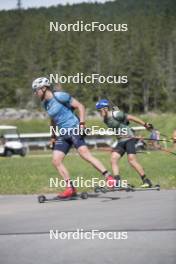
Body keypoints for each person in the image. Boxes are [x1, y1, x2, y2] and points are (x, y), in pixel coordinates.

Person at [32, 77, 114, 198]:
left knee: (84, 154)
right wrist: (53, 136)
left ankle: (109, 178)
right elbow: (53, 120)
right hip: (63, 133)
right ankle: (70, 188)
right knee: (56, 160)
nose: (35, 93)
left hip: (74, 128)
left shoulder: (60, 96)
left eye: (36, 90)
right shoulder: (45, 104)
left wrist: (82, 125)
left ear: (44, 88)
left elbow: (80, 106)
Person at [96, 99, 153, 188]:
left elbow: (130, 117)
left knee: (131, 160)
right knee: (113, 159)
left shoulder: (116, 114)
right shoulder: (105, 119)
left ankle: (146, 180)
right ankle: (117, 183)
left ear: (105, 109)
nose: (99, 113)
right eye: (98, 111)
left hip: (129, 138)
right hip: (120, 141)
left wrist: (145, 124)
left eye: (100, 110)